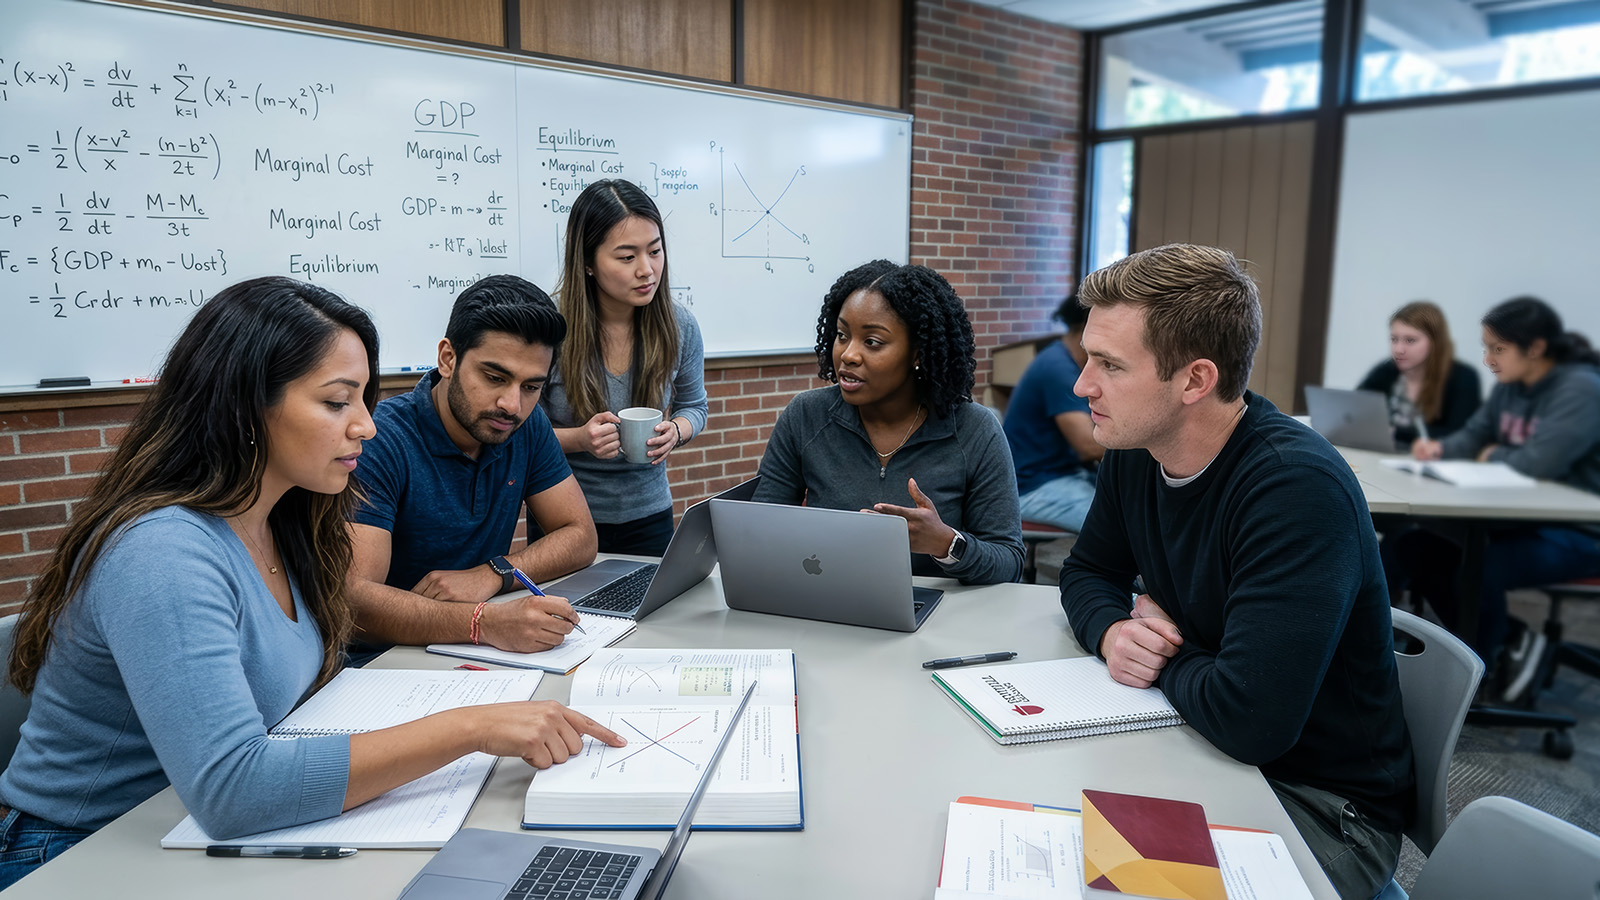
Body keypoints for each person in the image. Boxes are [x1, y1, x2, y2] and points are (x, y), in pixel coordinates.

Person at [0, 277, 624, 887]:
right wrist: (473, 725)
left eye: (363, 400)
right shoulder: (164, 551)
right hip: (87, 851)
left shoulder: (284, 520)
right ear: (247, 404)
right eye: (336, 402)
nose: (366, 426)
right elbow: (235, 791)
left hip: (193, 831)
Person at [1057, 244, 1413, 900]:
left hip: (1315, 806)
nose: (1083, 387)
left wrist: (1167, 654)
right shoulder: (1139, 447)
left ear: (1194, 381)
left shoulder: (1292, 488)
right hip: (1197, 743)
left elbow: (1252, 720)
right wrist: (1114, 631)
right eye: (1087, 360)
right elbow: (1085, 571)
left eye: (1108, 365)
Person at [348, 275, 599, 657]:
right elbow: (356, 604)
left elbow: (580, 536)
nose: (512, 405)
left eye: (531, 387)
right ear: (448, 358)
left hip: (481, 654)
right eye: (495, 377)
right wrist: (484, 622)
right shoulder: (381, 440)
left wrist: (494, 574)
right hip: (386, 663)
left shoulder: (527, 426)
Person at [753, 260, 1024, 586]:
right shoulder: (806, 416)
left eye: (872, 342)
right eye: (842, 335)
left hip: (944, 620)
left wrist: (945, 543)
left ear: (918, 354)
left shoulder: (975, 430)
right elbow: (760, 529)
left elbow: (1009, 561)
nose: (848, 355)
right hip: (828, 601)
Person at [1396, 296, 1600, 700]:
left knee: (1481, 564)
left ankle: (1478, 677)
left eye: (1498, 349)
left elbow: (1535, 463)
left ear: (1536, 349)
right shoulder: (1511, 388)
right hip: (1520, 520)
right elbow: (1474, 435)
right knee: (1413, 548)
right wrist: (1440, 449)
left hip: (1579, 531)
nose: (1489, 360)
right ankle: (1500, 643)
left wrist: (1492, 454)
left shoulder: (1581, 389)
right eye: (1486, 347)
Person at [542, 179, 708, 556]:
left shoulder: (680, 326)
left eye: (655, 251)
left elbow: (694, 408)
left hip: (649, 515)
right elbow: (521, 433)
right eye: (627, 257)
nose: (647, 270)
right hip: (564, 517)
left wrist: (677, 432)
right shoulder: (550, 329)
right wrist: (580, 439)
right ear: (587, 262)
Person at [1002, 293, 1102, 532]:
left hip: (1062, 472)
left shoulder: (1065, 359)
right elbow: (1088, 446)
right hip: (1032, 486)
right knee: (1115, 526)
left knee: (1130, 504)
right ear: (1085, 329)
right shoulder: (1058, 369)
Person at [1356, 300, 1481, 448]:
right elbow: (1354, 412)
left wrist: (1397, 434)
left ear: (1435, 342)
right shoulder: (1386, 371)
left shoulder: (1463, 377)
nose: (1398, 349)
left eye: (1410, 340)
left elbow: (1460, 435)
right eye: (1394, 339)